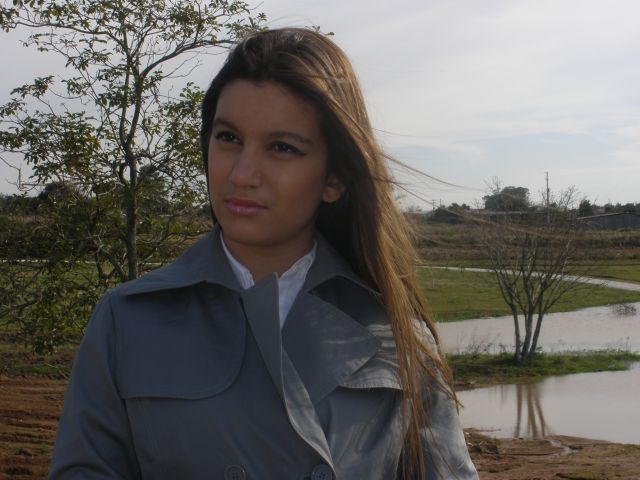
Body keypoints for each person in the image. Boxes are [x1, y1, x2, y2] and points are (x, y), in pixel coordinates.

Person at [49, 28, 478, 479]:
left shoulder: (398, 333)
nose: (242, 174)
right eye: (228, 138)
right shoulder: (128, 321)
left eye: (281, 148)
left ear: (334, 178)